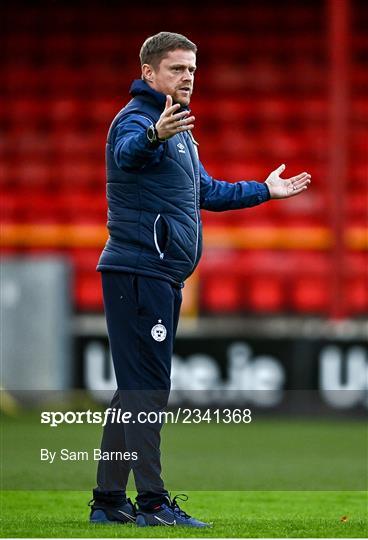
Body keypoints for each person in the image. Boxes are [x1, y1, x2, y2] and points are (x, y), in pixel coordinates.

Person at [88, 31, 311, 528]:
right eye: (176, 69)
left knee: (134, 391)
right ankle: (151, 504)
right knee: (148, 391)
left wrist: (264, 191)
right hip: (139, 272)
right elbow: (128, 154)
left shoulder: (180, 128)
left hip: (156, 275)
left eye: (191, 69)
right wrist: (155, 136)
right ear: (149, 73)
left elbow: (206, 189)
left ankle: (107, 501)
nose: (188, 77)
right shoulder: (139, 120)